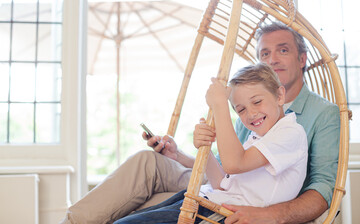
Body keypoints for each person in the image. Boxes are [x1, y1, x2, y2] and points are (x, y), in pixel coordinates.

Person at [60, 22, 340, 224]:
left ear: (302, 59)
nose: (272, 59)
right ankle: (72, 221)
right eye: (264, 54)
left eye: (282, 50)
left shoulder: (311, 119)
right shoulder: (254, 116)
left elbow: (322, 188)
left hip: (242, 199)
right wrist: (183, 153)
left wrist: (269, 216)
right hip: (222, 187)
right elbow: (225, 173)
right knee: (147, 162)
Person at [111, 63, 308, 223]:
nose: (251, 114)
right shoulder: (258, 138)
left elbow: (234, 164)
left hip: (221, 213)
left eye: (257, 102)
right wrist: (205, 147)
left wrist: (220, 105)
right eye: (240, 110)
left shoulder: (290, 132)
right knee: (126, 219)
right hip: (208, 199)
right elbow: (222, 185)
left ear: (280, 96)